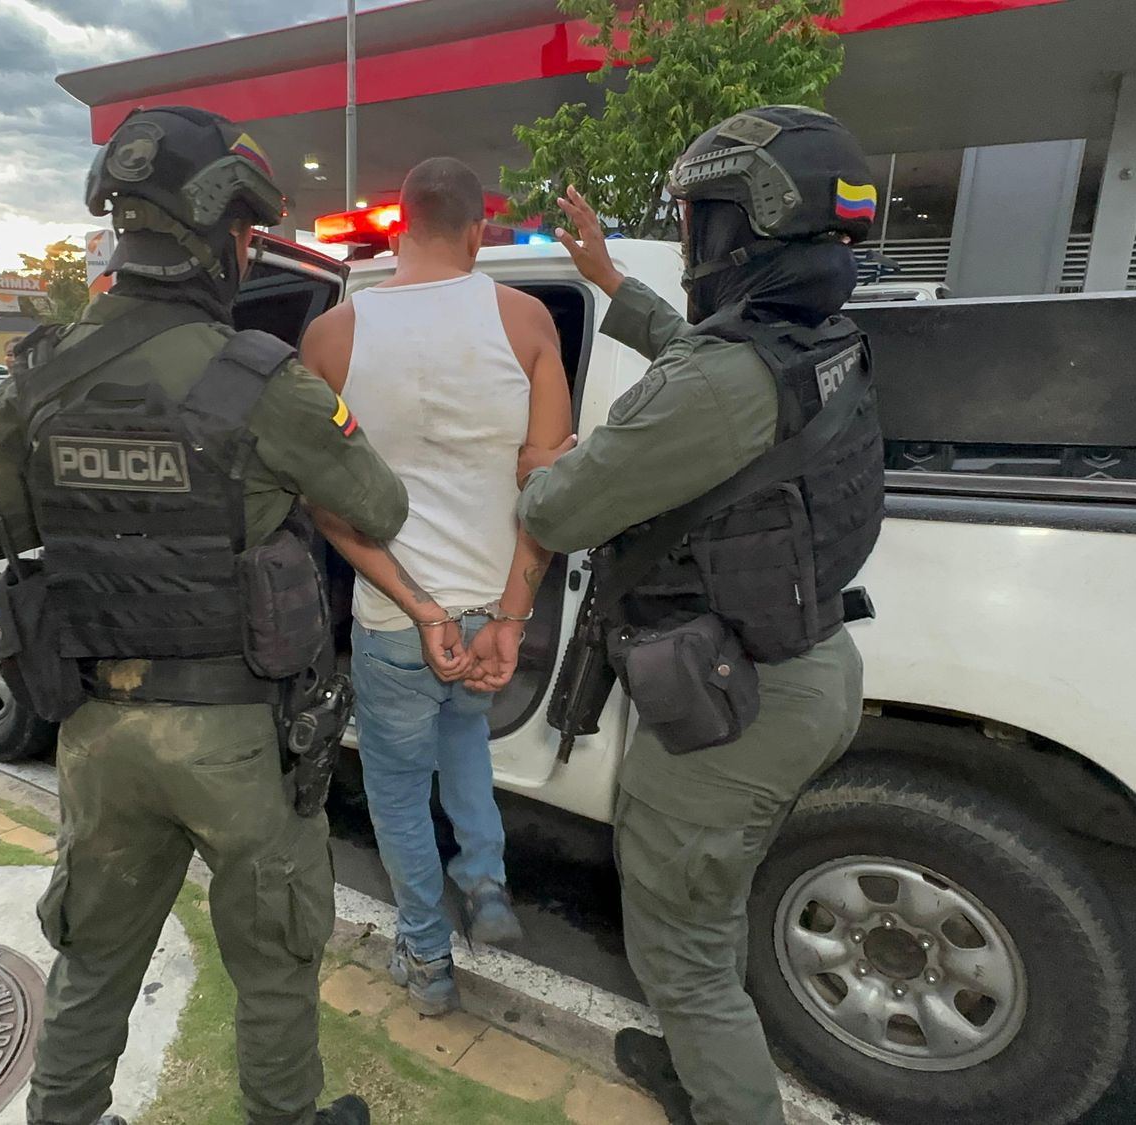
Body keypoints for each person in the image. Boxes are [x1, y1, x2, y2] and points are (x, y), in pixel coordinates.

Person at [0, 106, 408, 1125]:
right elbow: (380, 507)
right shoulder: (262, 380)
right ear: (224, 236)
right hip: (235, 738)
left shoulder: (38, 373)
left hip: (97, 732)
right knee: (274, 955)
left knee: (93, 953)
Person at [517, 106, 886, 1125]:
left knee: (680, 945)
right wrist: (606, 279)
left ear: (744, 223)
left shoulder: (720, 383)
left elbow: (557, 513)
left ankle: (726, 1099)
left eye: (700, 217)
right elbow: (708, 365)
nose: (691, 238)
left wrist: (542, 464)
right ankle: (696, 1064)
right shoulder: (818, 339)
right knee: (707, 899)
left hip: (738, 703)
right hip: (801, 666)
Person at [300, 157, 573, 1016]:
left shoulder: (333, 335)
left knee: (395, 788)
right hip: (490, 608)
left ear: (398, 231)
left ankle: (426, 957)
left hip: (395, 618)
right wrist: (512, 617)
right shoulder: (527, 322)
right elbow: (551, 492)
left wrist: (420, 608)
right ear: (476, 233)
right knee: (465, 736)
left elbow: (322, 502)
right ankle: (486, 884)